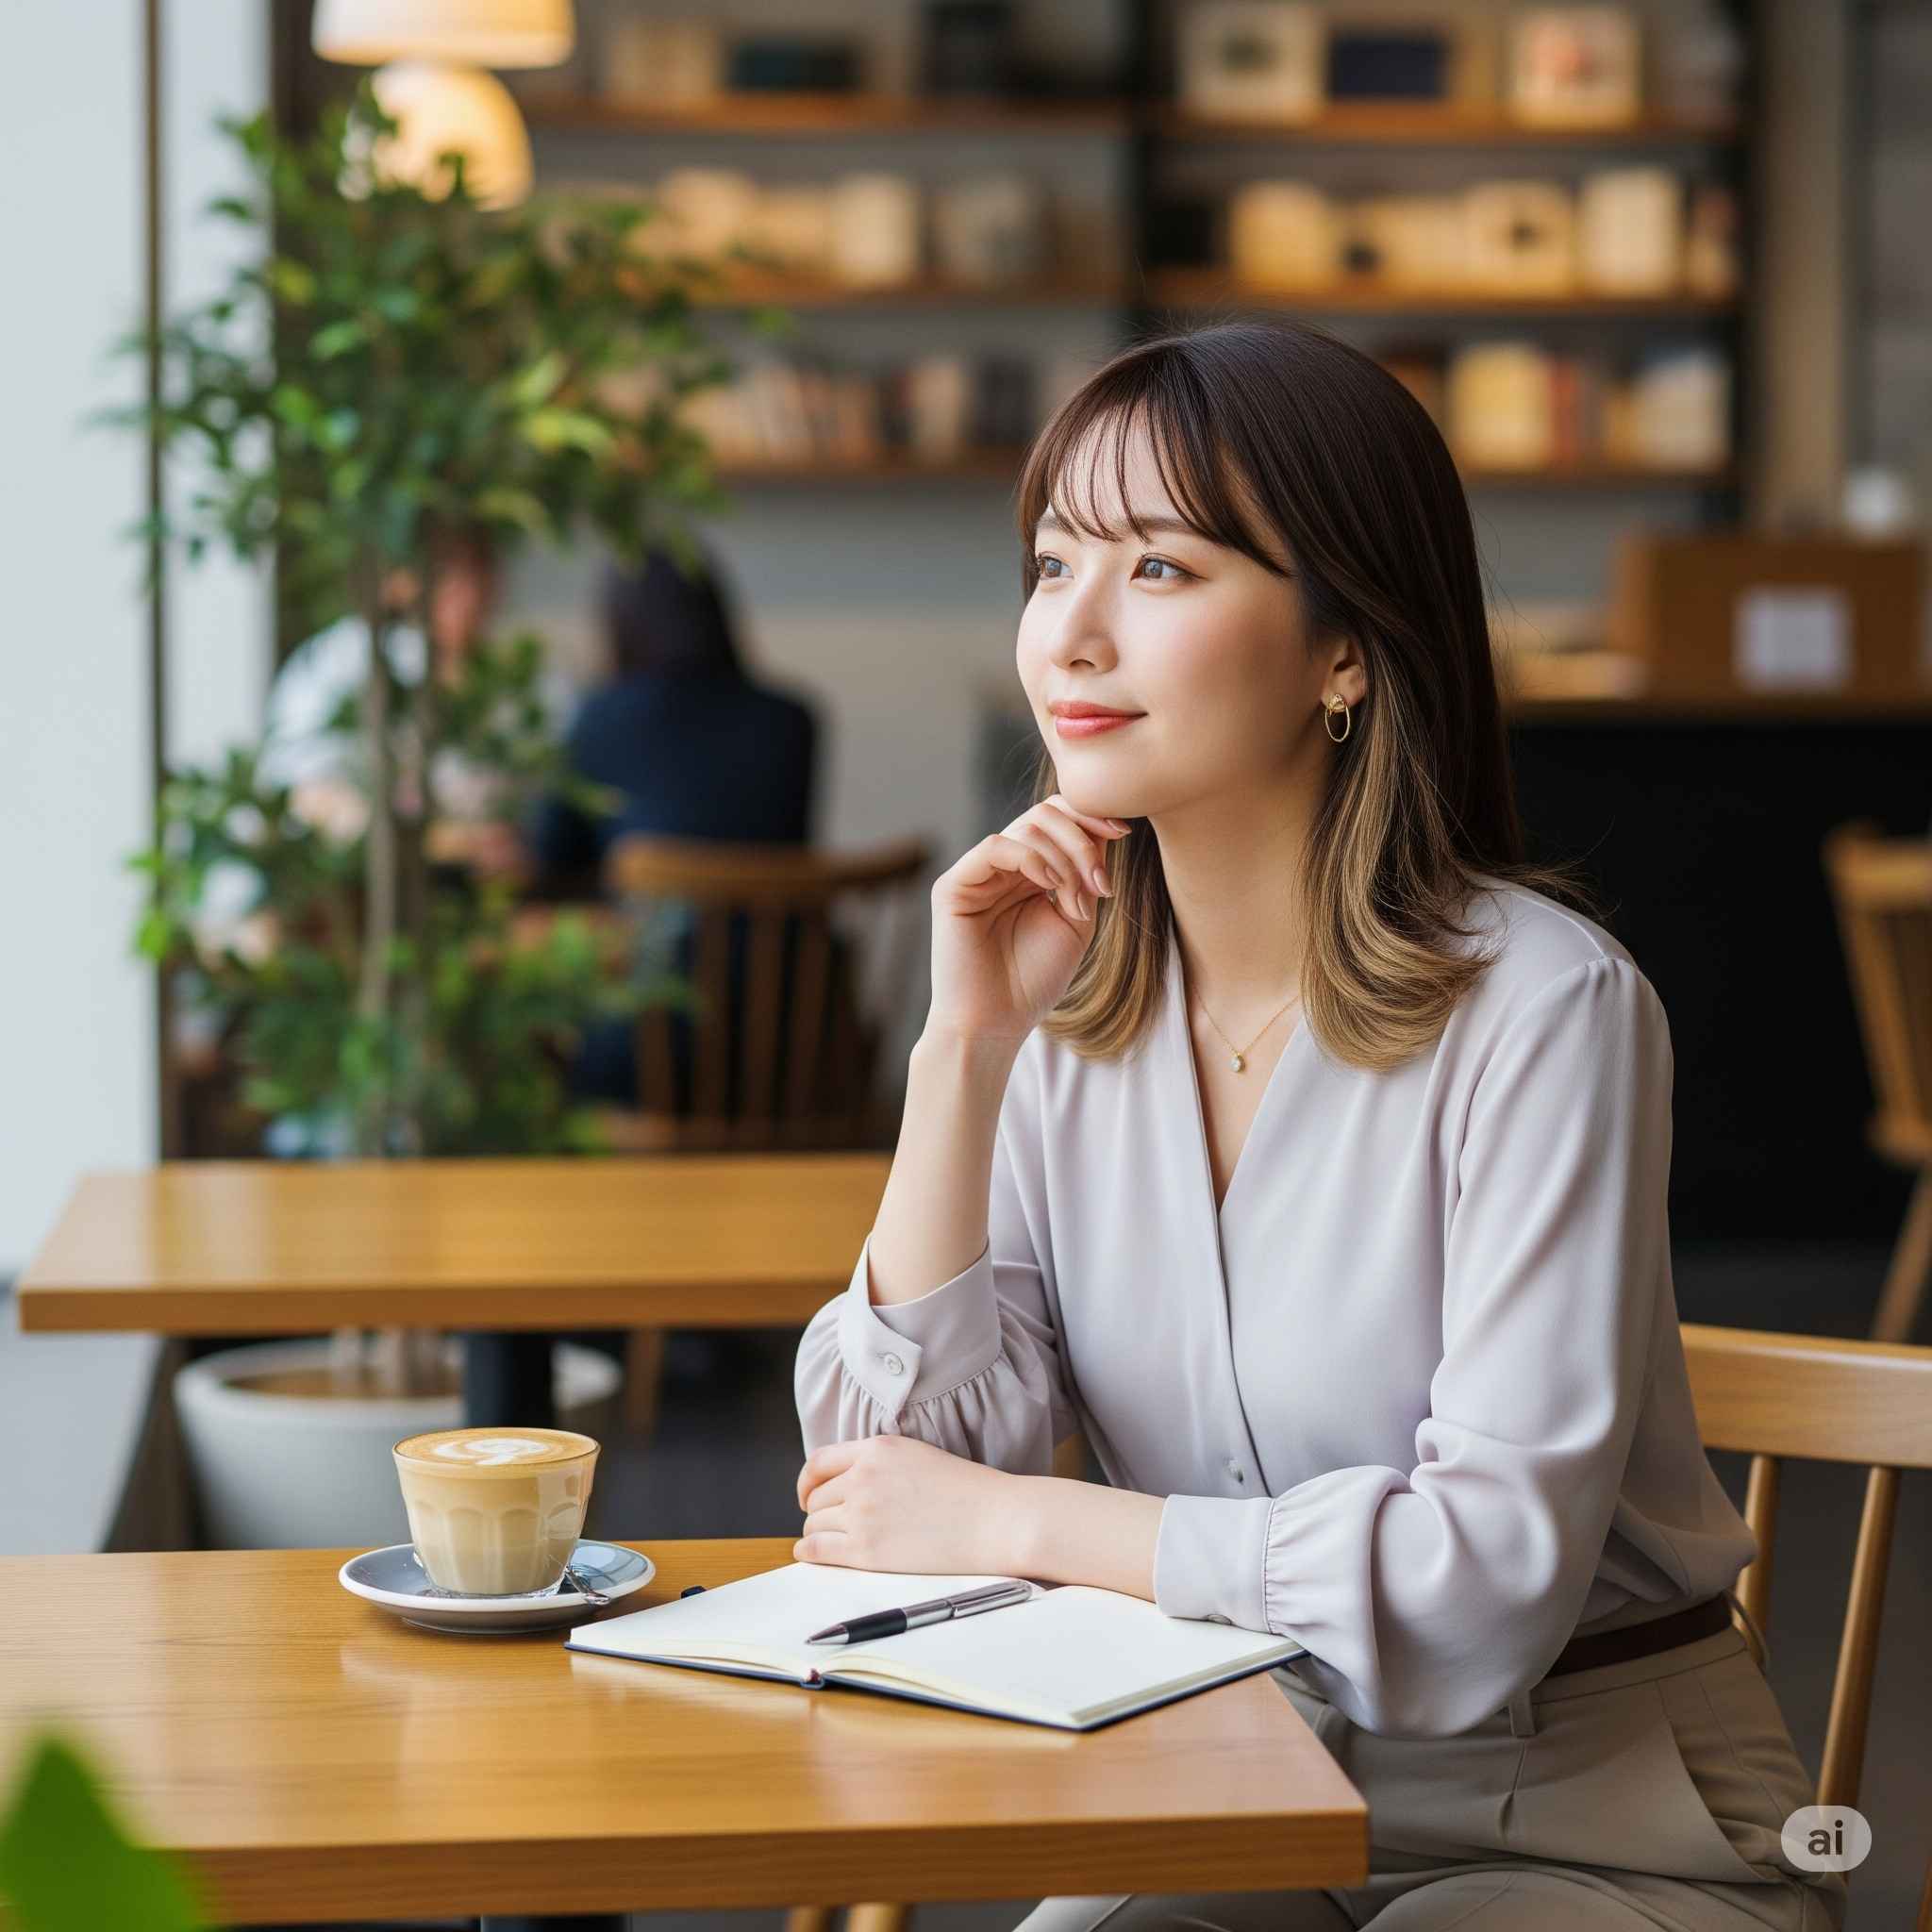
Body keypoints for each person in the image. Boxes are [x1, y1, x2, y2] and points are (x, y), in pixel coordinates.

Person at [791, 322, 1845, 1931]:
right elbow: (885, 1508)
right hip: (1218, 1778)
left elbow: (1473, 1586)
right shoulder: (1061, 1018)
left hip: (1598, 1816)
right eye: (1054, 557)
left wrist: (1022, 1521)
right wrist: (960, 1048)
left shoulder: (1544, 1009)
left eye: (1158, 570)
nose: (1067, 633)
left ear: (1344, 647)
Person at [528, 543, 822, 1110]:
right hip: (786, 1039)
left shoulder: (603, 718)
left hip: (647, 1040)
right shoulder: (792, 722)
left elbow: (550, 861)